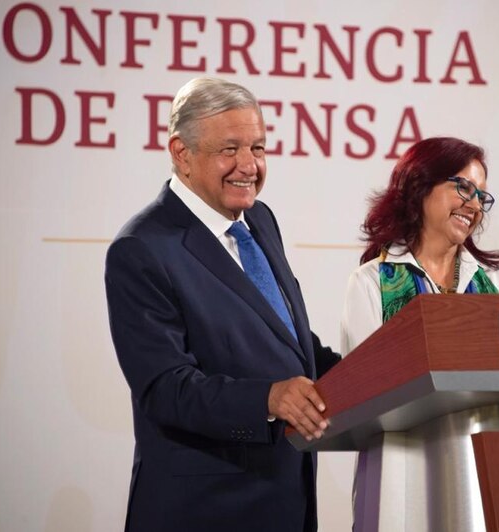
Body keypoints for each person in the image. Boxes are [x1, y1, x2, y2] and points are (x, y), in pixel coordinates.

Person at [105, 77, 341, 532]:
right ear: (181, 153)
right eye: (229, 149)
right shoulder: (142, 248)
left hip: (284, 501)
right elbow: (165, 389)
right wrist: (269, 398)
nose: (248, 165)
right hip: (203, 510)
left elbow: (286, 339)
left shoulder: (260, 219)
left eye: (258, 147)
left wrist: (377, 372)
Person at [339, 136, 499, 531]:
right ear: (419, 186)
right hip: (400, 477)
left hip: (481, 476)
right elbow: (367, 397)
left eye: (482, 196)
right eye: (463, 187)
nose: (473, 205)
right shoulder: (372, 283)